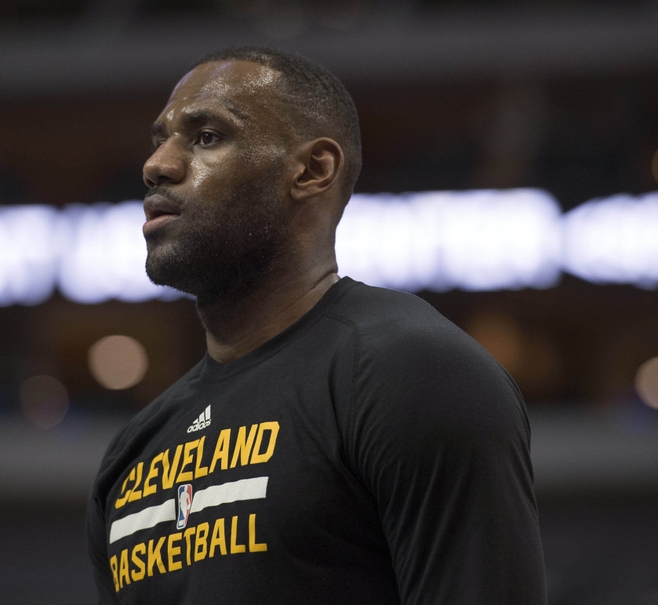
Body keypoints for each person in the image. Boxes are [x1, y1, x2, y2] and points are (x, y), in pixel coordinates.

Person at [87, 46, 547, 604]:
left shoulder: (409, 370)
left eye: (207, 136)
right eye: (160, 139)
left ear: (311, 170)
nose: (157, 164)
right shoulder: (134, 453)